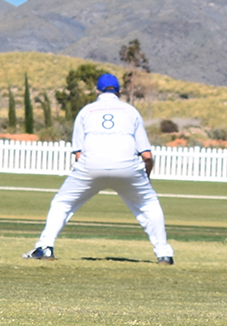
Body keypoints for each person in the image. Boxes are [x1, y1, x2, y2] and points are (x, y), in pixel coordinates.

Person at [26, 73, 174, 264]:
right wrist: (145, 178)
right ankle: (164, 254)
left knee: (62, 203)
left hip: (90, 165)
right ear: (119, 91)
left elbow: (78, 153)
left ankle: (45, 247)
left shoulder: (86, 112)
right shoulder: (130, 111)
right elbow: (146, 155)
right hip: (128, 167)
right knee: (149, 204)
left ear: (97, 91)